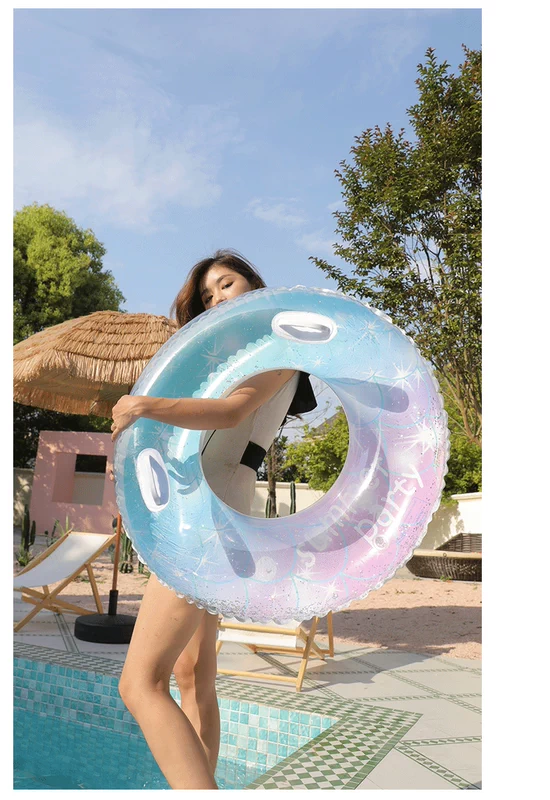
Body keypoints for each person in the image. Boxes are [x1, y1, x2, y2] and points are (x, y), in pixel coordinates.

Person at [109, 250, 316, 790]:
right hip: (213, 514)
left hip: (208, 523)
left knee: (139, 684)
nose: (217, 298)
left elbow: (230, 413)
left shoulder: (277, 352)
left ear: (254, 286)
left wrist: (144, 405)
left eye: (227, 284)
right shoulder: (237, 362)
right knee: (191, 673)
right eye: (207, 296)